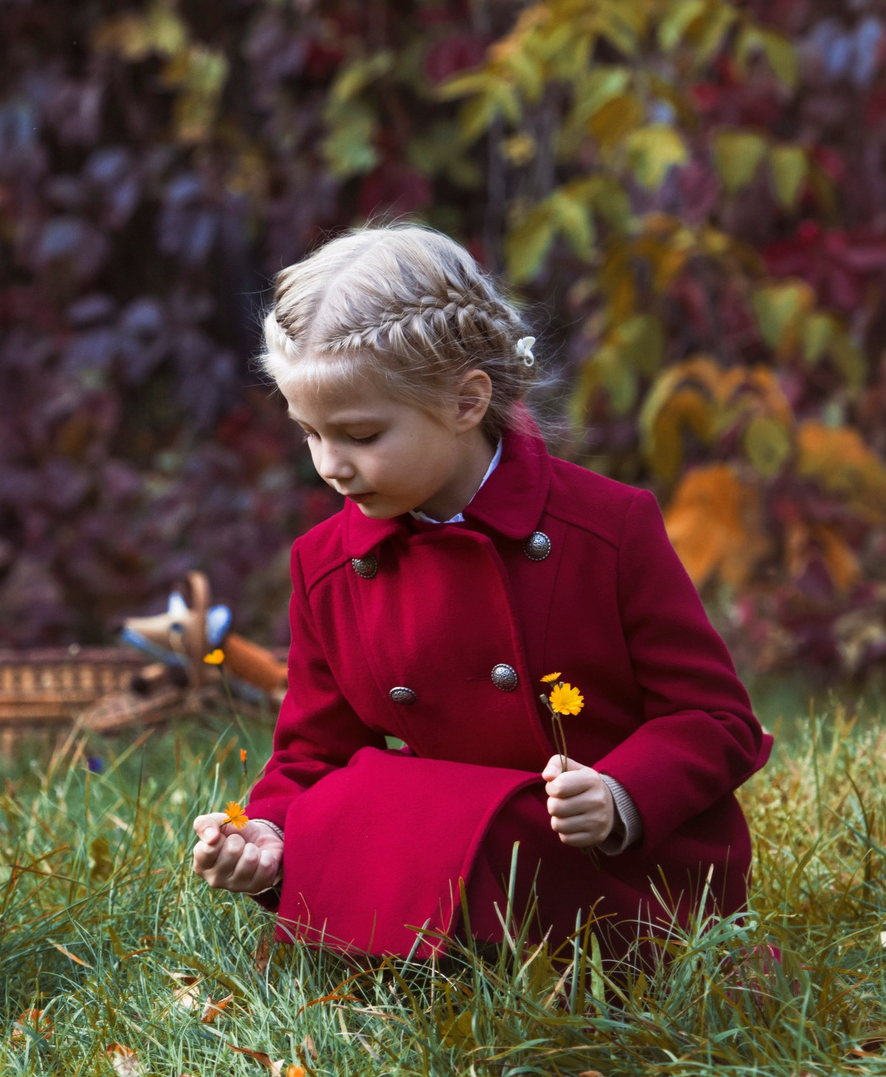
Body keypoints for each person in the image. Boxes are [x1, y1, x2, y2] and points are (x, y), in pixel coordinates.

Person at [189, 222, 770, 962]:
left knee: (401, 806)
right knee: (358, 797)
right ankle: (428, 943)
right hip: (447, 846)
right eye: (310, 433)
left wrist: (619, 794)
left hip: (619, 863)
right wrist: (268, 831)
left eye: (362, 435)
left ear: (467, 402)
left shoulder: (607, 527)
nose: (330, 464)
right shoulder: (327, 563)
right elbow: (315, 750)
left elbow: (716, 717)